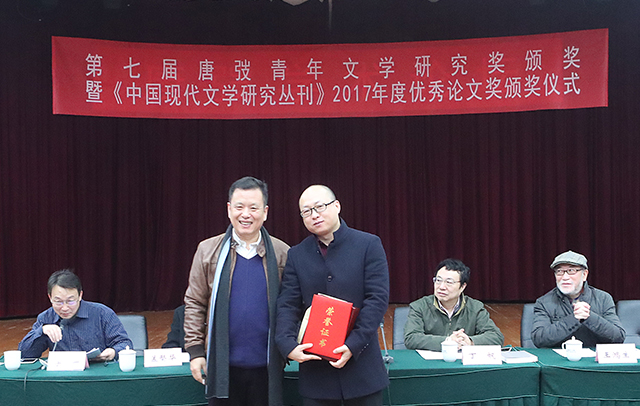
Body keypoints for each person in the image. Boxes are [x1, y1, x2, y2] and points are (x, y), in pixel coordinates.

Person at [276, 185, 390, 406]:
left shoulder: (368, 244)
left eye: (320, 207)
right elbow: (288, 304)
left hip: (362, 370)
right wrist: (287, 343)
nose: (314, 215)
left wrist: (353, 344)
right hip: (316, 374)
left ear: (337, 206)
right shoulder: (297, 254)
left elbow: (377, 299)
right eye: (306, 211)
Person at [183, 176, 289, 406]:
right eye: (239, 207)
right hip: (222, 366)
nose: (246, 214)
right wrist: (195, 351)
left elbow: (290, 306)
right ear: (229, 209)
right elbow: (194, 303)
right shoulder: (207, 250)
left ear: (265, 212)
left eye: (253, 208)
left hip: (267, 366)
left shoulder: (282, 253)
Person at [18, 269, 133, 361]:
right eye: (58, 302)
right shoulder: (46, 318)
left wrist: (113, 352)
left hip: (97, 373)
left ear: (80, 295)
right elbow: (24, 355)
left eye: (70, 301)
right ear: (50, 297)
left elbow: (124, 344)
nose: (64, 308)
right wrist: (41, 331)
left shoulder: (102, 313)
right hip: (62, 376)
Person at [403, 258, 504, 351]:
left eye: (449, 282)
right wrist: (448, 341)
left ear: (462, 287)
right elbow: (411, 338)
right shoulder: (420, 306)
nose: (441, 287)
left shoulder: (475, 308)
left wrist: (470, 341)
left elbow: (496, 337)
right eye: (438, 280)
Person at [531, 250, 625, 348]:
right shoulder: (544, 302)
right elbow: (539, 339)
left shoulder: (603, 298)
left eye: (571, 271)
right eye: (559, 272)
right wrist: (573, 319)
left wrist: (589, 317)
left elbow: (618, 337)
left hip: (594, 357)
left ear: (584, 274)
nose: (565, 277)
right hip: (558, 357)